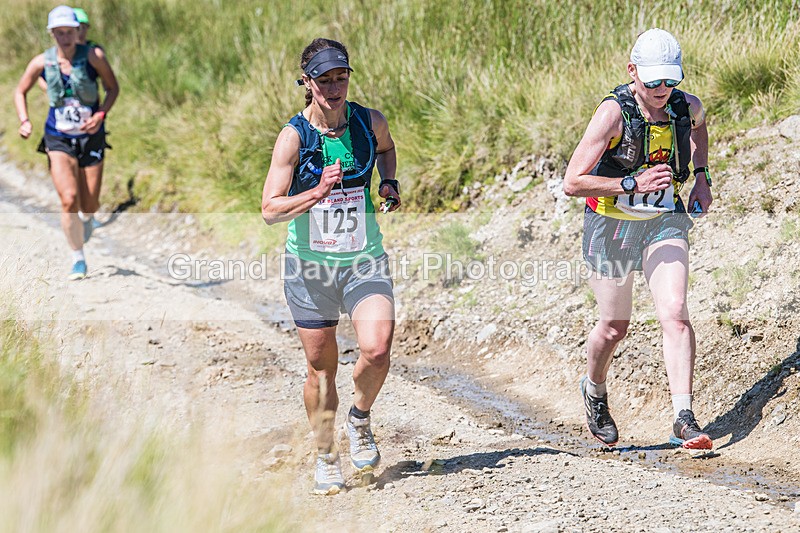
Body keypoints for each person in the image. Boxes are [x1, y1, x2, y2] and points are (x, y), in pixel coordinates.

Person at [563, 28, 714, 450]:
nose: (663, 90)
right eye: (653, 82)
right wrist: (631, 182)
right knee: (614, 328)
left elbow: (700, 128)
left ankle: (683, 417)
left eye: (671, 80)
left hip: (664, 219)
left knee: (676, 312)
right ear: (633, 73)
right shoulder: (613, 115)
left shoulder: (687, 107)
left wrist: (700, 177)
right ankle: (593, 390)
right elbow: (572, 182)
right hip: (610, 225)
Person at [261, 38, 400, 494]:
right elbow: (270, 209)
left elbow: (386, 147)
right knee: (322, 370)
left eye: (341, 77)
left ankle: (359, 420)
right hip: (310, 269)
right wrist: (315, 193)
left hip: (363, 260)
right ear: (307, 82)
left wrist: (389, 182)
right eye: (324, 80)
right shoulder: (294, 137)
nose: (334, 87)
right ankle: (325, 453)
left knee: (377, 349)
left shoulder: (368, 120)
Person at [14, 5, 119, 280]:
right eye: (58, 33)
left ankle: (87, 220)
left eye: (69, 32)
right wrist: (24, 120)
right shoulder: (41, 62)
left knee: (90, 203)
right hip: (58, 137)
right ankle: (78, 259)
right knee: (68, 199)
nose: (65, 37)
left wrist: (100, 114)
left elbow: (113, 87)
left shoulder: (94, 56)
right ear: (51, 34)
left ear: (77, 32)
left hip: (90, 136)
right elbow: (20, 90)